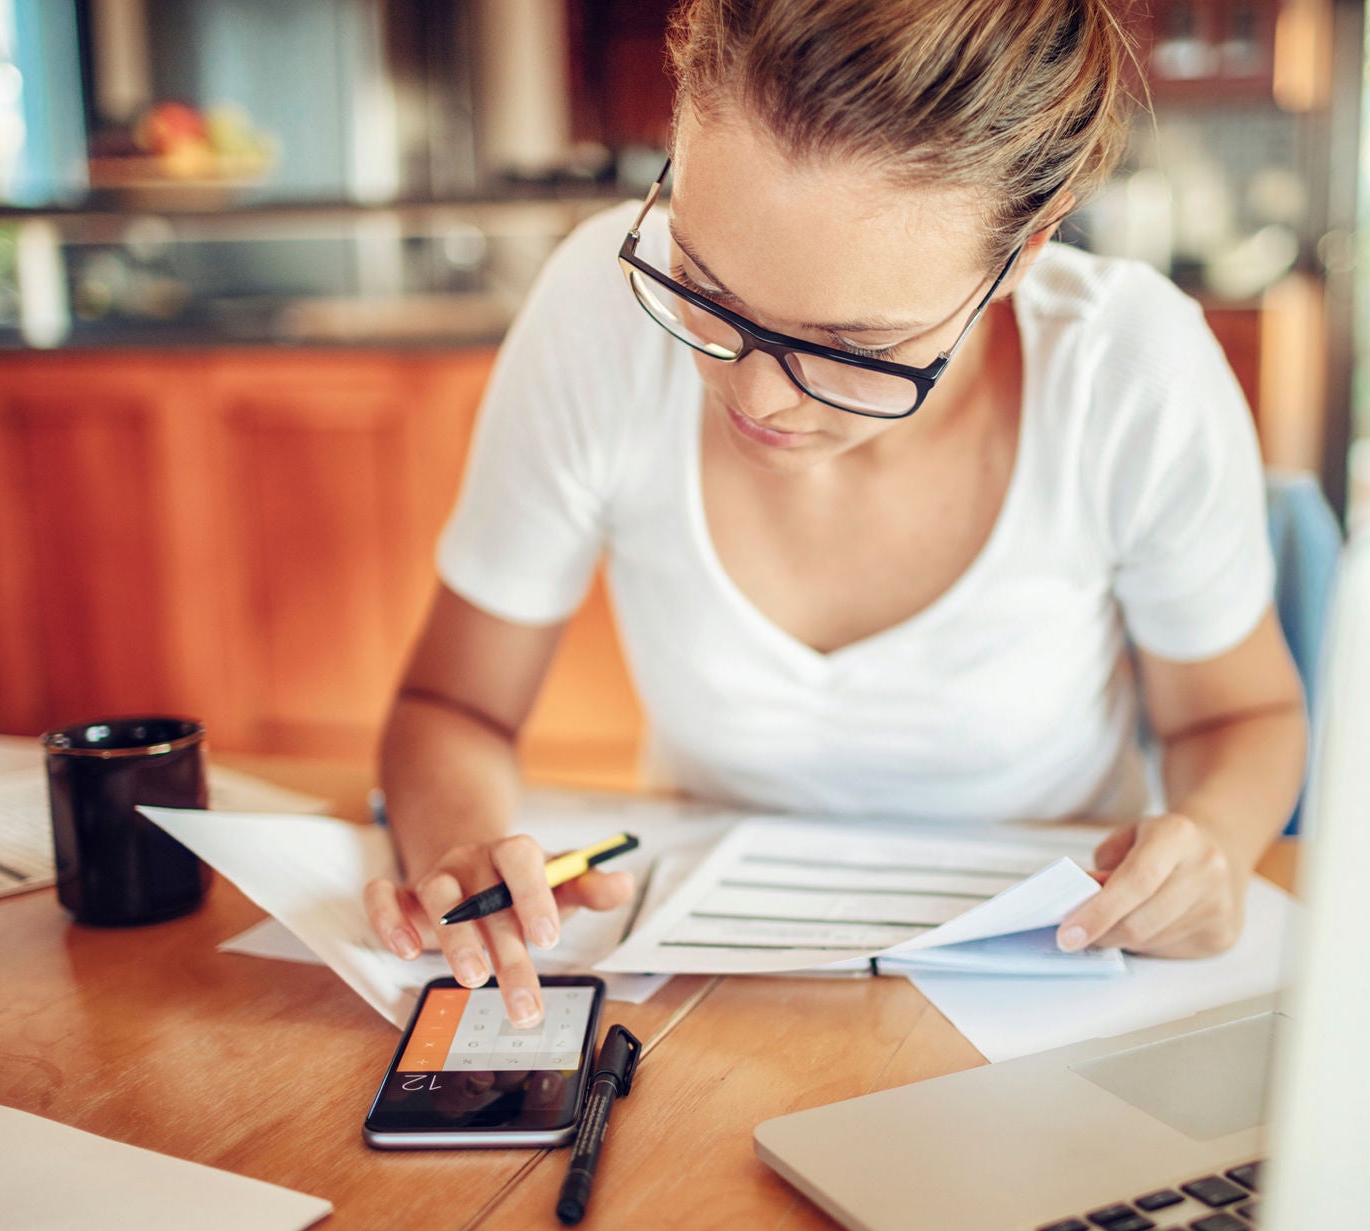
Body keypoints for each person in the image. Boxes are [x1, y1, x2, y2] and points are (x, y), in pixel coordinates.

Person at [365, 0, 1308, 1030]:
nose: (760, 400)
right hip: (701, 997)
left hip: (1053, 984)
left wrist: (1210, 840)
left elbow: (1238, 716)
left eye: (854, 348)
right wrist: (461, 848)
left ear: (1022, 255)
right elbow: (453, 708)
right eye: (702, 285)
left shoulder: (1128, 370)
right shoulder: (596, 313)